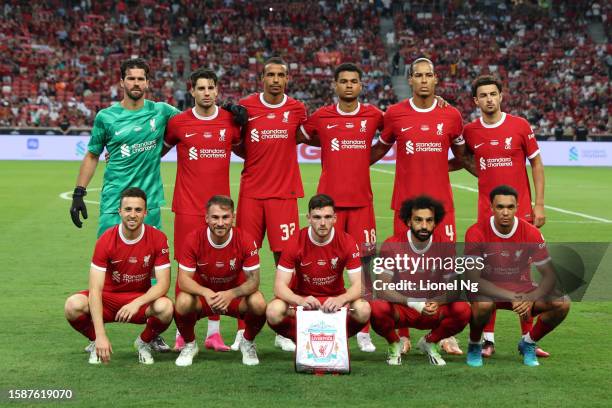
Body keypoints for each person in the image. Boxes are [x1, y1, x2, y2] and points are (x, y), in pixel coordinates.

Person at [69, 58, 178, 353]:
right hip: (113, 203)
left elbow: (190, 122)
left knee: (153, 270)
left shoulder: (161, 111)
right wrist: (80, 191)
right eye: (131, 79)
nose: (136, 84)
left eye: (141, 79)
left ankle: (151, 334)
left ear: (148, 82)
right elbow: (92, 154)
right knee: (107, 268)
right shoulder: (107, 117)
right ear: (121, 82)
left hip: (150, 202)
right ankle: (97, 336)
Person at [370, 57, 466, 354]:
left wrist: (439, 167)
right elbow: (378, 149)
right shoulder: (395, 115)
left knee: (444, 268)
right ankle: (403, 332)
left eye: (429, 75)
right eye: (418, 76)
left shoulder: (452, 116)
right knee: (401, 268)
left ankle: (444, 334)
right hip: (405, 207)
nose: (424, 80)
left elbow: (462, 157)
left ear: (436, 79)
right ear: (409, 80)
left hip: (442, 207)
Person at [459, 75, 548, 358]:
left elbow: (536, 162)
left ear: (501, 96)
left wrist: (540, 204)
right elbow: (464, 158)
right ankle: (488, 339)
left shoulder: (519, 125)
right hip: (486, 214)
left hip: (519, 212)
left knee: (521, 272)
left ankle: (527, 338)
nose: (489, 99)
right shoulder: (470, 131)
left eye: (493, 94)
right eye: (483, 95)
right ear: (476, 101)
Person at [299, 62, 383, 353]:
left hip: (362, 204)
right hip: (328, 206)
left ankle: (363, 331)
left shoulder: (374, 115)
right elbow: (295, 134)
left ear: (361, 85)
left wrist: (366, 159)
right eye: (343, 81)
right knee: (321, 265)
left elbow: (394, 129)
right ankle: (310, 321)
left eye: (354, 81)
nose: (349, 85)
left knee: (366, 267)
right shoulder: (321, 116)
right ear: (334, 85)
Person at [162, 68, 244, 352]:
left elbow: (246, 149)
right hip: (187, 207)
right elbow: (154, 150)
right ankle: (181, 334)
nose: (206, 92)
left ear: (217, 91)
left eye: (211, 88)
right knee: (186, 270)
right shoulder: (178, 123)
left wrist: (246, 127)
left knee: (217, 271)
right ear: (192, 91)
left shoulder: (229, 121)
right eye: (201, 88)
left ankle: (213, 333)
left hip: (220, 210)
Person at [235, 56, 307, 352]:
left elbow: (313, 134)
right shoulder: (245, 107)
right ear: (261, 79)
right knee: (244, 261)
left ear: (287, 79)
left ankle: (283, 327)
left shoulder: (297, 109)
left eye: (281, 74)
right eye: (270, 74)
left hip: (283, 196)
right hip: (251, 194)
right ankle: (243, 329)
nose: (276, 79)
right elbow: (235, 143)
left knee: (286, 262)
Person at [64, 187, 174, 365]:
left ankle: (143, 343)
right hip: (107, 299)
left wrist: (136, 303)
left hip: (138, 300)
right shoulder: (106, 240)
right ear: (119, 211)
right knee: (72, 305)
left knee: (166, 307)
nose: (132, 215)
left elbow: (163, 284)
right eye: (128, 209)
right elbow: (95, 289)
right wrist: (100, 335)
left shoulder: (158, 238)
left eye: (138, 210)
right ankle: (95, 342)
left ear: (145, 212)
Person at [464, 185, 570, 367]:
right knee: (482, 304)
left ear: (517, 208)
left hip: (523, 292)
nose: (505, 212)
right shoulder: (476, 232)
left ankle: (528, 343)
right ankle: (474, 345)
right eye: (500, 207)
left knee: (562, 302)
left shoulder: (531, 233)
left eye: (510, 207)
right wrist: (512, 297)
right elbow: (474, 280)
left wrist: (530, 297)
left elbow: (550, 276)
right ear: (491, 208)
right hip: (489, 293)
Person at [369, 196, 471, 366]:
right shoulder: (392, 244)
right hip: (403, 308)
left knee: (462, 310)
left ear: (435, 222)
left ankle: (430, 342)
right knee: (377, 307)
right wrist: (413, 303)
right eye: (418, 220)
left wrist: (437, 302)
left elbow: (454, 288)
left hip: (433, 308)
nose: (424, 226)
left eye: (429, 220)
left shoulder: (445, 246)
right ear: (408, 221)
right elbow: (382, 287)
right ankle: (395, 343)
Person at [266, 194, 371, 345]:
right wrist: (299, 300)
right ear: (308, 218)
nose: (323, 223)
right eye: (317, 217)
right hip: (303, 299)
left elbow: (360, 284)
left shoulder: (347, 241)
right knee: (273, 311)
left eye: (328, 217)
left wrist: (341, 299)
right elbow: (279, 286)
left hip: (334, 299)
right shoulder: (294, 241)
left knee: (363, 309)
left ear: (335, 218)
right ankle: (300, 339)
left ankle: (336, 338)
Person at [173, 195, 266, 366]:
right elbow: (183, 281)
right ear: (206, 217)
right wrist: (206, 292)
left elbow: (254, 281)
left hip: (233, 298)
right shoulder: (193, 239)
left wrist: (231, 294)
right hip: (205, 299)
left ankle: (247, 342)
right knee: (183, 302)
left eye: (225, 217)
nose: (221, 223)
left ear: (233, 217)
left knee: (259, 302)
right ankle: (190, 344)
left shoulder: (245, 239)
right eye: (215, 217)